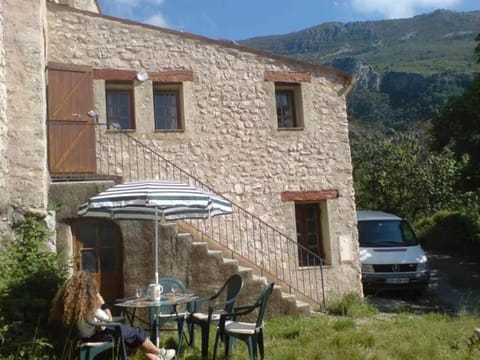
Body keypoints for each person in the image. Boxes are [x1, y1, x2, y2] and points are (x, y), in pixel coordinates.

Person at [49, 271, 176, 360]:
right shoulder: (90, 309)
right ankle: (160, 352)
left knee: (132, 337)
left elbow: (96, 323)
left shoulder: (76, 308)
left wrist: (99, 325)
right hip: (98, 336)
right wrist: (102, 302)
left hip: (89, 336)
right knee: (136, 332)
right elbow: (108, 319)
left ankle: (157, 357)